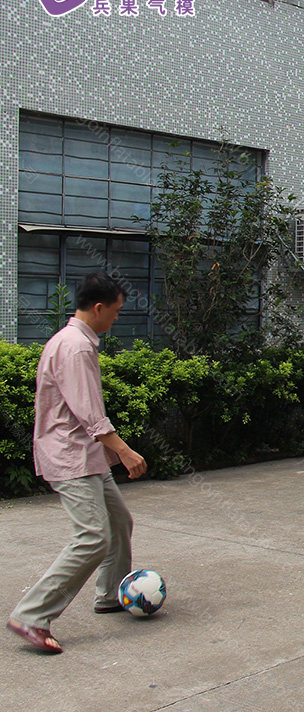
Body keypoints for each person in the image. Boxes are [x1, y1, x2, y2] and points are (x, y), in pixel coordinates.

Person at [6, 272, 147, 654]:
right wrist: (125, 451)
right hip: (71, 456)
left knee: (119, 522)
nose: (116, 318)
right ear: (98, 308)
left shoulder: (74, 341)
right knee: (93, 537)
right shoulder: (75, 347)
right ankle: (32, 615)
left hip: (86, 455)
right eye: (115, 312)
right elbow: (90, 415)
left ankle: (110, 595)